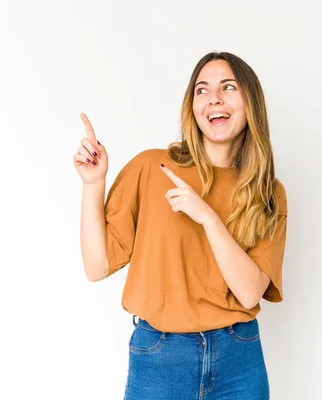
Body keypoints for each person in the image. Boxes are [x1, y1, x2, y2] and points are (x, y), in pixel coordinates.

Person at [73, 51, 288, 400]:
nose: (214, 98)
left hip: (239, 357)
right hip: (160, 357)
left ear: (251, 103)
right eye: (202, 90)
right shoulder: (152, 168)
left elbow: (249, 292)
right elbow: (96, 267)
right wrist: (93, 184)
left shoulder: (267, 193)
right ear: (192, 107)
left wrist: (207, 217)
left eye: (228, 87)